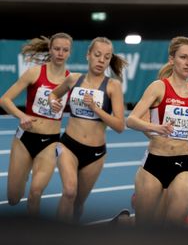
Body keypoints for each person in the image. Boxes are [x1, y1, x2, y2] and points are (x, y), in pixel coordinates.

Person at [126, 37, 188, 226]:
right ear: (172, 60)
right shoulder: (159, 87)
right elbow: (130, 120)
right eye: (183, 57)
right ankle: (125, 223)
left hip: (184, 164)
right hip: (154, 163)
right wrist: (155, 128)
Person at [49, 37, 127, 222]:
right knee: (69, 192)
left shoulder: (113, 86)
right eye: (97, 55)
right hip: (68, 145)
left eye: (106, 57)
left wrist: (96, 108)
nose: (101, 60)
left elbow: (119, 126)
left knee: (77, 203)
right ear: (88, 55)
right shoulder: (74, 78)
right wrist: (54, 103)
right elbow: (54, 93)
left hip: (95, 154)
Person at [0, 33, 72, 215]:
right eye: (57, 49)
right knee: (14, 198)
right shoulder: (34, 73)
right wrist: (21, 115)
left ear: (69, 53)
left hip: (50, 142)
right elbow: (5, 100)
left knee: (35, 193)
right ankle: (22, 173)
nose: (60, 53)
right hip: (25, 139)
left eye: (65, 50)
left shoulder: (71, 80)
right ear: (50, 50)